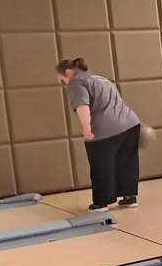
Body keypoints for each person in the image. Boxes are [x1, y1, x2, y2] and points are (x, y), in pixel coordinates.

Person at [58, 58, 142, 212]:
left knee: (101, 164)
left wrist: (87, 128)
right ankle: (129, 198)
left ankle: (101, 203)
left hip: (105, 128)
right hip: (131, 123)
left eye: (62, 79)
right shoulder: (100, 78)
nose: (63, 82)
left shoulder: (75, 82)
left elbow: (83, 105)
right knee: (127, 162)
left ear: (67, 72)